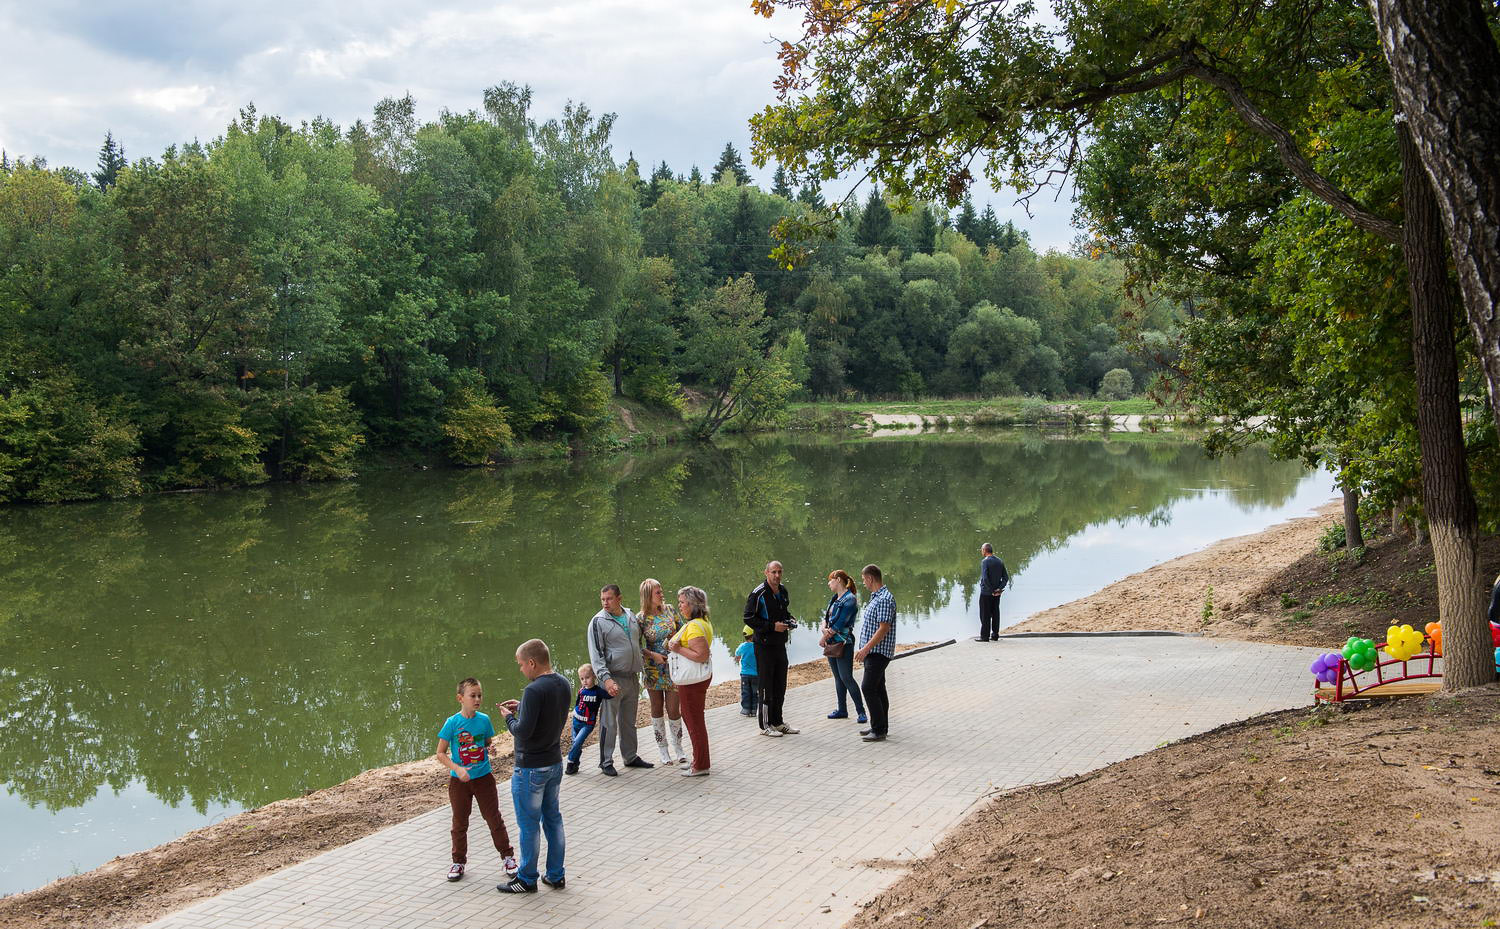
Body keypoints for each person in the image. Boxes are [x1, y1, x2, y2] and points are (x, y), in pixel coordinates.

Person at [495, 639, 571, 894]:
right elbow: (547, 715)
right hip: (554, 762)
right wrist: (524, 707)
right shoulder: (562, 683)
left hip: (530, 768)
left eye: (520, 665)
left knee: (529, 826)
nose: (520, 670)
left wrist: (510, 718)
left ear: (532, 662)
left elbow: (523, 732)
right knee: (553, 820)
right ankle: (556, 874)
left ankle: (527, 879)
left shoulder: (534, 691)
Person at [435, 677, 517, 883]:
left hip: (484, 778)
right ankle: (458, 862)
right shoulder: (452, 723)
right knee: (459, 823)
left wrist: (490, 748)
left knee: (493, 818)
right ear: (460, 698)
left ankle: (508, 857)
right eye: (473, 695)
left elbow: (487, 742)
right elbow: (440, 753)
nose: (477, 699)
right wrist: (457, 768)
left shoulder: (484, 720)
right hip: (459, 782)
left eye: (479, 695)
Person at [585, 583, 652, 775]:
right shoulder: (597, 622)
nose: (605, 603)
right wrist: (606, 680)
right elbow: (596, 656)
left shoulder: (630, 616)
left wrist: (648, 659)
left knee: (628, 721)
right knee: (609, 722)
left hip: (631, 677)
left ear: (619, 598)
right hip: (612, 679)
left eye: (609, 599)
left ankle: (630, 757)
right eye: (603, 599)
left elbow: (636, 645)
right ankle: (605, 762)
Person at [744, 560, 798, 736]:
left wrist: (790, 620)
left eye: (779, 572)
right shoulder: (758, 594)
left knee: (780, 684)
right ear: (766, 573)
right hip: (764, 646)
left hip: (780, 644)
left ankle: (778, 721)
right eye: (773, 572)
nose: (777, 576)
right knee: (766, 686)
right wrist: (771, 627)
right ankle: (765, 725)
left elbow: (784, 612)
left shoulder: (782, 590)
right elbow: (749, 618)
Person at [638, 578, 688, 766]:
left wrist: (677, 642)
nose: (662, 594)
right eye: (657, 592)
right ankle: (663, 749)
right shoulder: (640, 618)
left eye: (661, 591)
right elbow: (636, 646)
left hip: (673, 666)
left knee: (674, 708)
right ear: (648, 596)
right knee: (657, 708)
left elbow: (682, 629)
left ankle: (679, 747)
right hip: (653, 669)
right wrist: (652, 655)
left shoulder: (670, 610)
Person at [667, 586, 715, 776]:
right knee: (694, 718)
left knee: (694, 721)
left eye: (682, 602)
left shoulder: (694, 626)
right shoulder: (702, 621)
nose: (680, 606)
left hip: (692, 681)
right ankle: (699, 759)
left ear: (693, 604)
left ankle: (701, 765)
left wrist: (677, 649)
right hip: (696, 679)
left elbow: (701, 655)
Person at [855, 564, 897, 743]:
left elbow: (884, 628)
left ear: (870, 578)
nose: (863, 583)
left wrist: (866, 649)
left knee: (868, 687)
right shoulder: (877, 597)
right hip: (874, 651)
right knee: (878, 688)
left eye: (864, 579)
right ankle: (879, 726)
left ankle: (879, 730)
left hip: (878, 652)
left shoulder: (885, 599)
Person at [819, 569, 867, 723]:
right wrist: (823, 628)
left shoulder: (850, 600)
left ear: (838, 580)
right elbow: (826, 619)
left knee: (846, 677)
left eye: (831, 580)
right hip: (832, 642)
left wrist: (823, 637)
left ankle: (861, 712)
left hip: (844, 643)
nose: (828, 583)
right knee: (838, 678)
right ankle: (842, 710)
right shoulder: (834, 598)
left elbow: (839, 624)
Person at [564, 663, 609, 776]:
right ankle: (576, 764)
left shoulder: (598, 691)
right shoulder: (581, 690)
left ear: (594, 676)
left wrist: (615, 688)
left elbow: (609, 695)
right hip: (576, 721)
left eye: (587, 678)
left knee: (577, 742)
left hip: (587, 723)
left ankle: (570, 762)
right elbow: (578, 703)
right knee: (576, 743)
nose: (584, 681)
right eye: (582, 678)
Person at [975, 543, 1010, 642]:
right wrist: (999, 589)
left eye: (982, 550)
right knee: (995, 613)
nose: (981, 552)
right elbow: (1006, 578)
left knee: (985, 614)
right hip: (997, 594)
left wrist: (991, 591)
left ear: (985, 551)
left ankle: (985, 636)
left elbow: (985, 578)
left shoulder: (985, 562)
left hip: (986, 593)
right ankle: (995, 635)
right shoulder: (999, 561)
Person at [734, 630, 759, 716]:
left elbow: (737, 655)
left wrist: (738, 658)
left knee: (745, 692)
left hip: (745, 674)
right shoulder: (757, 646)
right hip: (756, 675)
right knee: (755, 692)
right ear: (753, 636)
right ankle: (754, 710)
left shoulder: (742, 646)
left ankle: (746, 709)